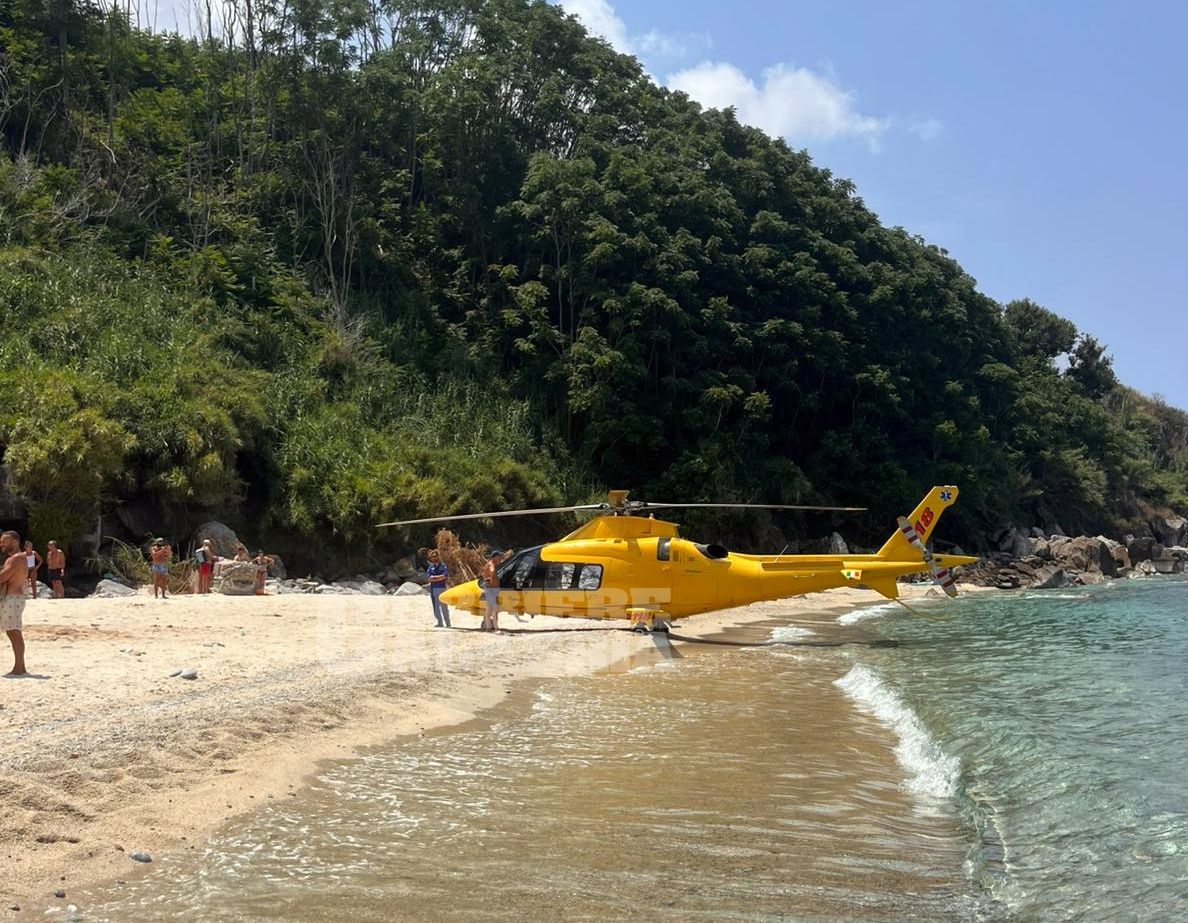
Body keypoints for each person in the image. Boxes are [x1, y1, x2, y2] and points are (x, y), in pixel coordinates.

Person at [0, 531, 28, 676]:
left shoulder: (17, 558)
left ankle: (19, 668)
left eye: (5, 541)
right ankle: (19, 667)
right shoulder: (14, 558)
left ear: (15, 542)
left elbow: (3, 577)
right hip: (12, 598)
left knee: (14, 631)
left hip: (13, 598)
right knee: (12, 631)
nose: (2, 544)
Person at [426, 549, 450, 628]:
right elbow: (429, 578)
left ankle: (448, 623)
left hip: (441, 588)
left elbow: (444, 576)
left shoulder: (443, 566)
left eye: (435, 556)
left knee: (444, 606)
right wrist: (438, 578)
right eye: (432, 557)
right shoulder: (430, 567)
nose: (434, 558)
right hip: (433, 589)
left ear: (438, 556)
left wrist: (434, 577)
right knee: (435, 607)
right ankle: (440, 622)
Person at [481, 549, 503, 632]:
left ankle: (488, 627)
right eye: (499, 556)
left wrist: (486, 578)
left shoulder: (487, 564)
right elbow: (492, 570)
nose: (500, 558)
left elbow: (483, 573)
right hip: (492, 589)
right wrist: (491, 578)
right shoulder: (491, 565)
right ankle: (496, 628)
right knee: (494, 608)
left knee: (489, 609)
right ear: (495, 557)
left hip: (490, 588)